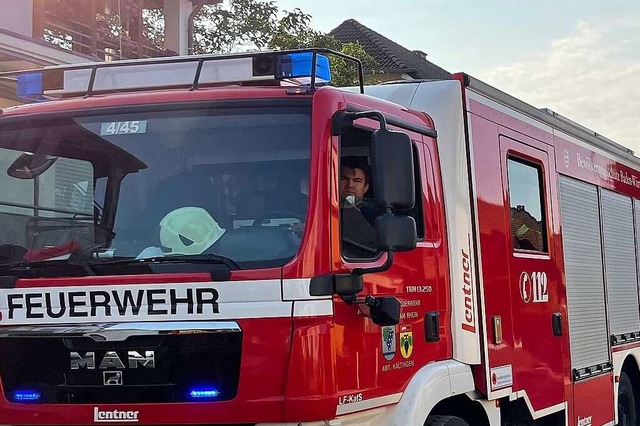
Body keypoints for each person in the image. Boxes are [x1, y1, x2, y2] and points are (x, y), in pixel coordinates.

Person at [339, 156, 380, 257]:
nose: (350, 185)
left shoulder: (376, 214)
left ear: (366, 187)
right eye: (344, 179)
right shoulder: (319, 212)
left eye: (357, 180)